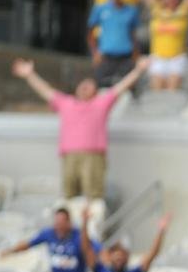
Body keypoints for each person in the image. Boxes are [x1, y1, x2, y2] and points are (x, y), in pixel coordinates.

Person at [12, 56, 150, 200]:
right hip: (69, 156)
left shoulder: (101, 103)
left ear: (95, 91)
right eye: (82, 84)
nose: (85, 87)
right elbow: (45, 90)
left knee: (93, 196)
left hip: (93, 155)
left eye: (89, 85)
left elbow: (121, 86)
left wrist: (138, 70)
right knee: (69, 196)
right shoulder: (65, 103)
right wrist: (29, 75)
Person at [145, 0, 188, 90]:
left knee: (172, 93)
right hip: (158, 57)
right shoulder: (156, 10)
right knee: (157, 93)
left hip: (176, 58)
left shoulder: (183, 12)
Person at [89, 0, 141, 88]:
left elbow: (133, 35)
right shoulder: (100, 9)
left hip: (125, 57)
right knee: (101, 87)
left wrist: (136, 54)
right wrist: (95, 53)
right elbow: (90, 33)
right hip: (106, 57)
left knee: (128, 87)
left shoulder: (131, 11)